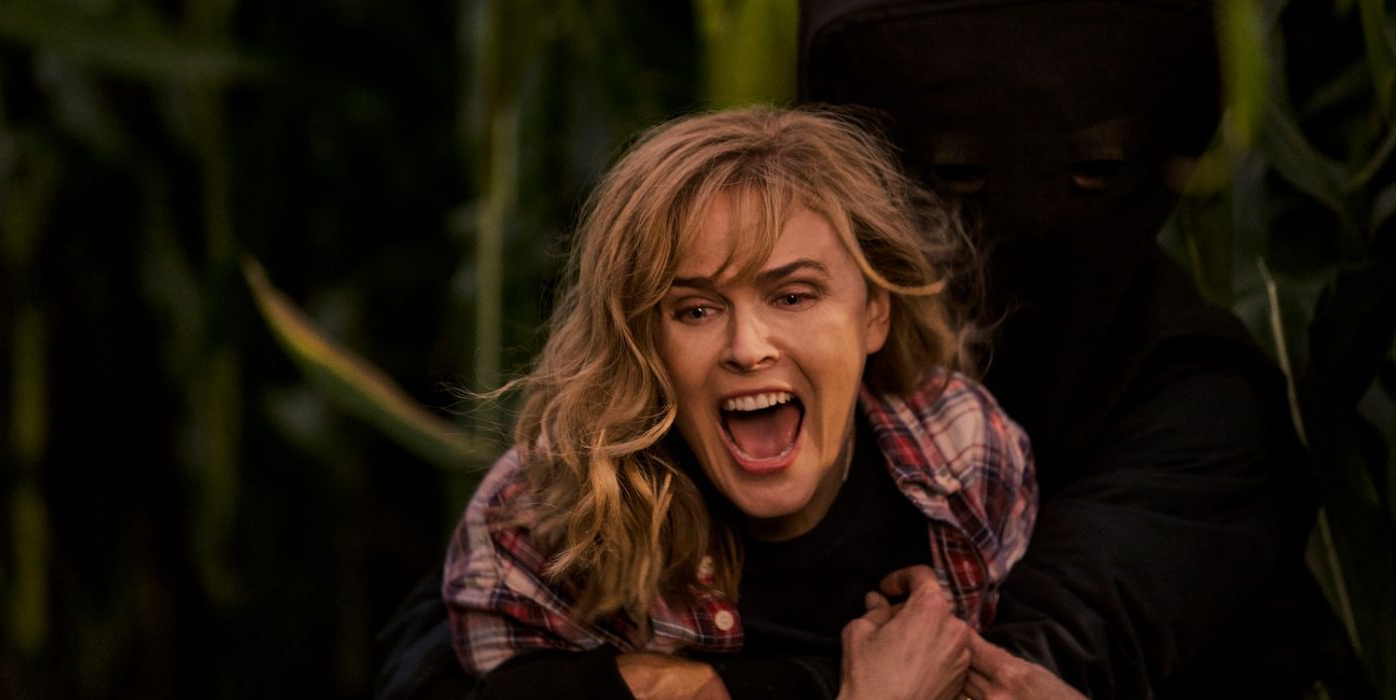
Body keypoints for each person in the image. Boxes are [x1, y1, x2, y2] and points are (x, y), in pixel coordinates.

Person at [798, 1, 1322, 697]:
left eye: (1093, 171)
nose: (1033, 218)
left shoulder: (1198, 397)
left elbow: (1014, 669)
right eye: (959, 175)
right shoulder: (781, 364)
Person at [441, 107, 1038, 698]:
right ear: (642, 342)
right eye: (696, 310)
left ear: (874, 313)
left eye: (794, 296)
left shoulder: (964, 456)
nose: (747, 349)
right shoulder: (540, 526)